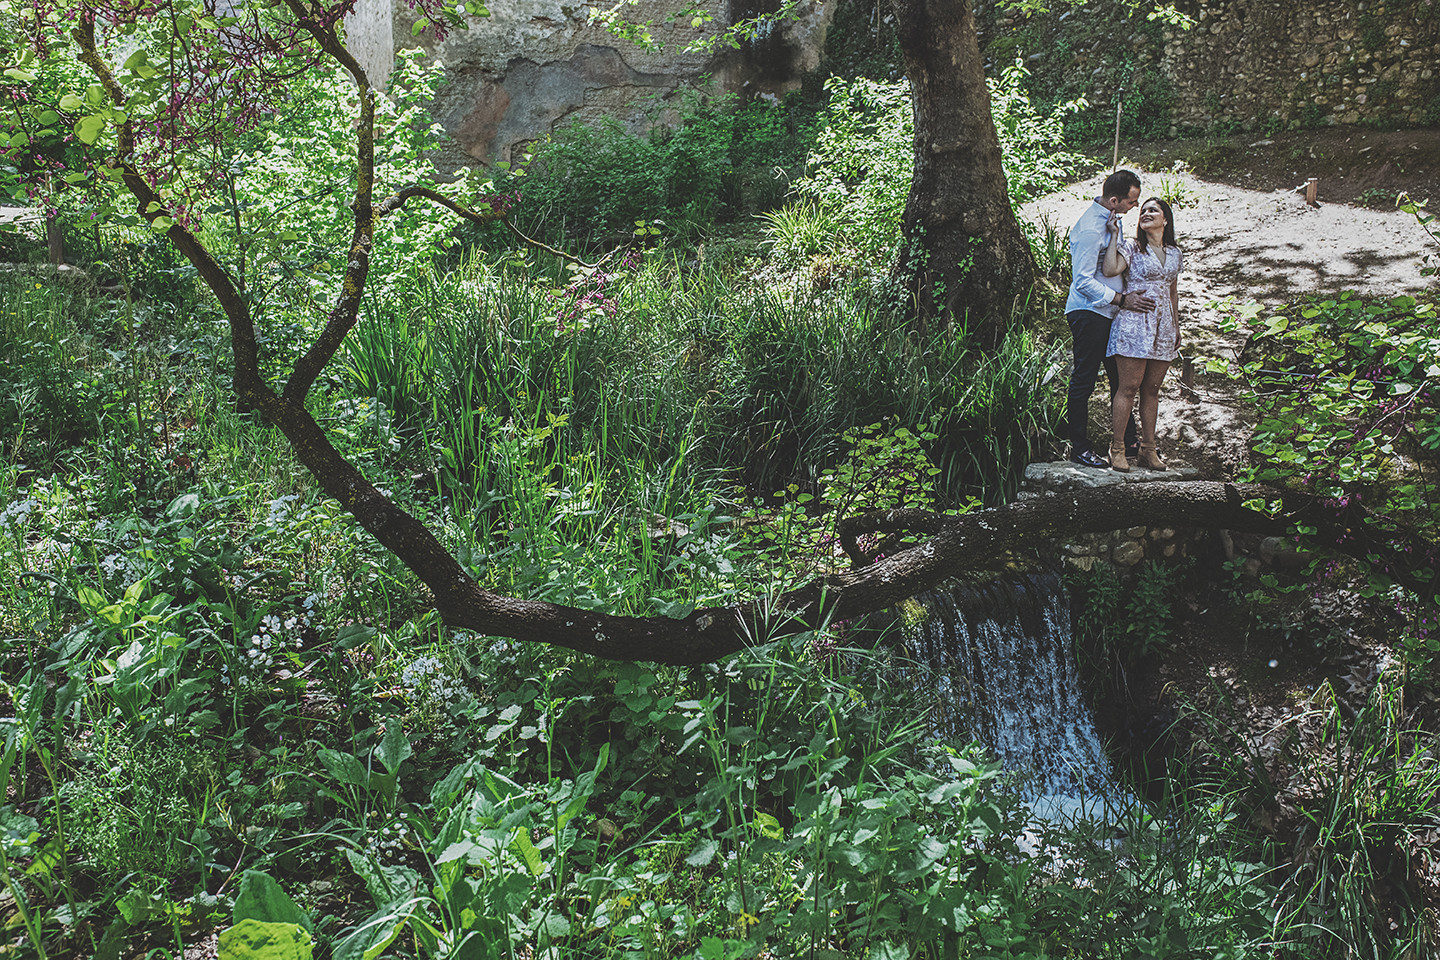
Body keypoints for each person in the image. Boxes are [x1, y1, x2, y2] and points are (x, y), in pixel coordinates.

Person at [1063, 169, 1152, 468]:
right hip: (1090, 313)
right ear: (1114, 200)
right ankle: (1079, 448)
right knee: (1084, 380)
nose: (1135, 207)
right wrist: (1121, 299)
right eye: (1131, 202)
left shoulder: (1113, 221)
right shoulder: (1091, 229)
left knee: (1120, 378)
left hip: (1112, 314)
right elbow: (1083, 282)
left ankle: (1128, 441)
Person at [1101, 196, 1182, 472]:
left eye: (1153, 210)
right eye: (1143, 210)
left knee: (1152, 389)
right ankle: (1117, 448)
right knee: (1128, 387)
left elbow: (1172, 292)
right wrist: (1114, 236)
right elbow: (1110, 269)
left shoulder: (1175, 253)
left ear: (1165, 219)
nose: (1145, 213)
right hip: (1134, 324)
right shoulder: (1133, 247)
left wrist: (1176, 326)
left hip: (1163, 326)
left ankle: (1148, 449)